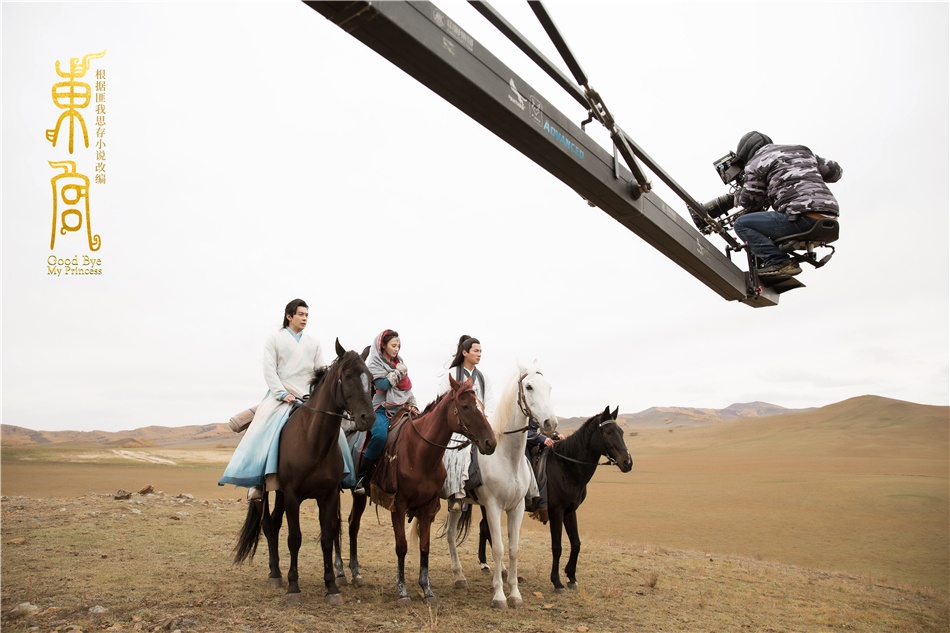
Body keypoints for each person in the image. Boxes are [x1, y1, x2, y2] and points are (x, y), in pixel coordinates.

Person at [219, 299, 324, 501]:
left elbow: (319, 372)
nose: (304, 318)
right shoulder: (274, 340)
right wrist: (282, 394)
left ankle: (343, 475)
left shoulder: (314, 343)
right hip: (281, 394)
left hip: (307, 396)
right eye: (301, 314)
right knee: (263, 426)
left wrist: (317, 393)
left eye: (307, 315)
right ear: (289, 316)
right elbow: (269, 370)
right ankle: (257, 481)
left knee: (333, 428)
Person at [732, 131, 843, 277]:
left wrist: (739, 193)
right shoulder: (802, 151)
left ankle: (779, 261)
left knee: (741, 224)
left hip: (803, 218)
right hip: (830, 216)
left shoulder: (756, 162)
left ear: (746, 153)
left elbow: (751, 203)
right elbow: (836, 172)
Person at [354, 329, 418, 495]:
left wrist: (413, 404)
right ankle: (361, 477)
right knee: (380, 436)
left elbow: (406, 389)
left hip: (401, 408)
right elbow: (382, 386)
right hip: (380, 408)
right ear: (383, 345)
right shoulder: (374, 364)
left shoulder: (400, 362)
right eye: (393, 345)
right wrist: (398, 372)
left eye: (399, 346)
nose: (397, 349)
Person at [439, 335, 494, 511]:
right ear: (465, 352)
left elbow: (490, 401)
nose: (479, 354)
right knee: (457, 452)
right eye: (476, 351)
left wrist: (486, 422)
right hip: (457, 425)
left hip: (480, 425)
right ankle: (455, 494)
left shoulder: (484, 377)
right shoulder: (453, 374)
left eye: (480, 351)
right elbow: (441, 401)